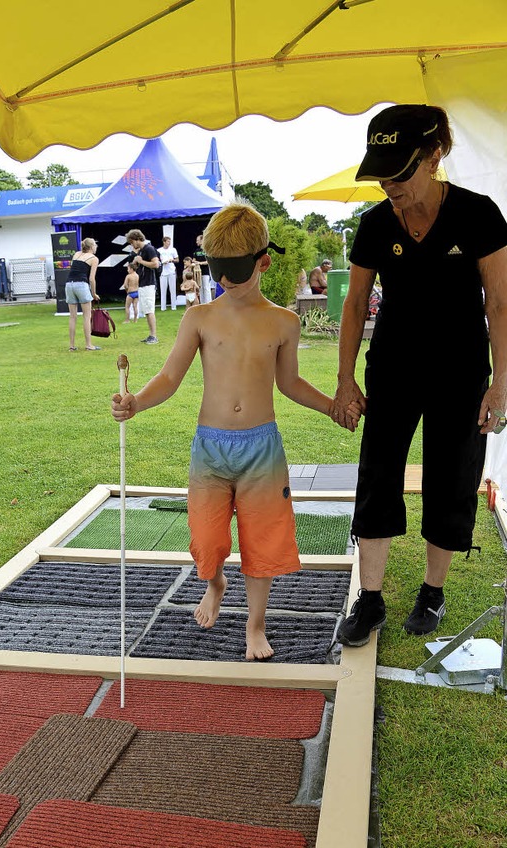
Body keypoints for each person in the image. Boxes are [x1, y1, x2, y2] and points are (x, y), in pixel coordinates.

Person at [112, 202, 360, 660]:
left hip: (261, 448)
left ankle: (255, 623)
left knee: (263, 538)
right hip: (211, 448)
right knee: (206, 538)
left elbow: (289, 384)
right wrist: (136, 403)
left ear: (263, 262)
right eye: (218, 271)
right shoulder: (199, 318)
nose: (224, 280)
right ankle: (215, 583)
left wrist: (330, 407)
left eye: (236, 271)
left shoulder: (283, 321)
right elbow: (169, 378)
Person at [332, 103, 507, 648]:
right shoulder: (375, 224)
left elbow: (500, 302)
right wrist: (344, 379)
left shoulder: (479, 214)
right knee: (378, 472)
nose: (389, 184)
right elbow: (355, 302)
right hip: (392, 367)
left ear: (435, 156)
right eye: (382, 173)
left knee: (452, 477)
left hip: (461, 371)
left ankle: (432, 590)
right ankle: (372, 598)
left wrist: (502, 382)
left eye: (400, 172)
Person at [65, 237, 101, 351]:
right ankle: (89, 344)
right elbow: (91, 279)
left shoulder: (76, 254)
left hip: (69, 284)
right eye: (95, 245)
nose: (96, 247)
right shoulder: (94, 258)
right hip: (81, 284)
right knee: (86, 316)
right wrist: (94, 293)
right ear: (91, 247)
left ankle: (71, 346)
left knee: (72, 317)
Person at [125, 229, 160, 344]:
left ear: (137, 239)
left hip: (149, 283)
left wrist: (141, 261)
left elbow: (156, 264)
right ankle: (151, 335)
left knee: (149, 310)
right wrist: (136, 261)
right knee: (146, 310)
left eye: (131, 242)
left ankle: (154, 336)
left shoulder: (149, 249)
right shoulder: (140, 251)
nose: (132, 245)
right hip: (143, 283)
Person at [157, 236, 179, 311]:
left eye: (170, 241)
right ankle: (163, 307)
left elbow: (177, 260)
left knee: (172, 290)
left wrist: (171, 260)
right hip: (163, 272)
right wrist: (162, 262)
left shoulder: (173, 249)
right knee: (163, 290)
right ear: (164, 242)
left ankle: (174, 306)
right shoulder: (159, 250)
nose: (169, 243)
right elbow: (157, 261)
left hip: (171, 271)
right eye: (168, 241)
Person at [193, 233, 213, 304]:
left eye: (197, 240)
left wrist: (199, 263)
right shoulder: (196, 250)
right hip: (198, 272)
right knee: (200, 287)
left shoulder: (207, 250)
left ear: (202, 240)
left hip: (205, 271)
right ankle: (202, 303)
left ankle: (208, 302)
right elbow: (194, 259)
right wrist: (194, 262)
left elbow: (208, 261)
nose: (196, 242)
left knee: (206, 287)